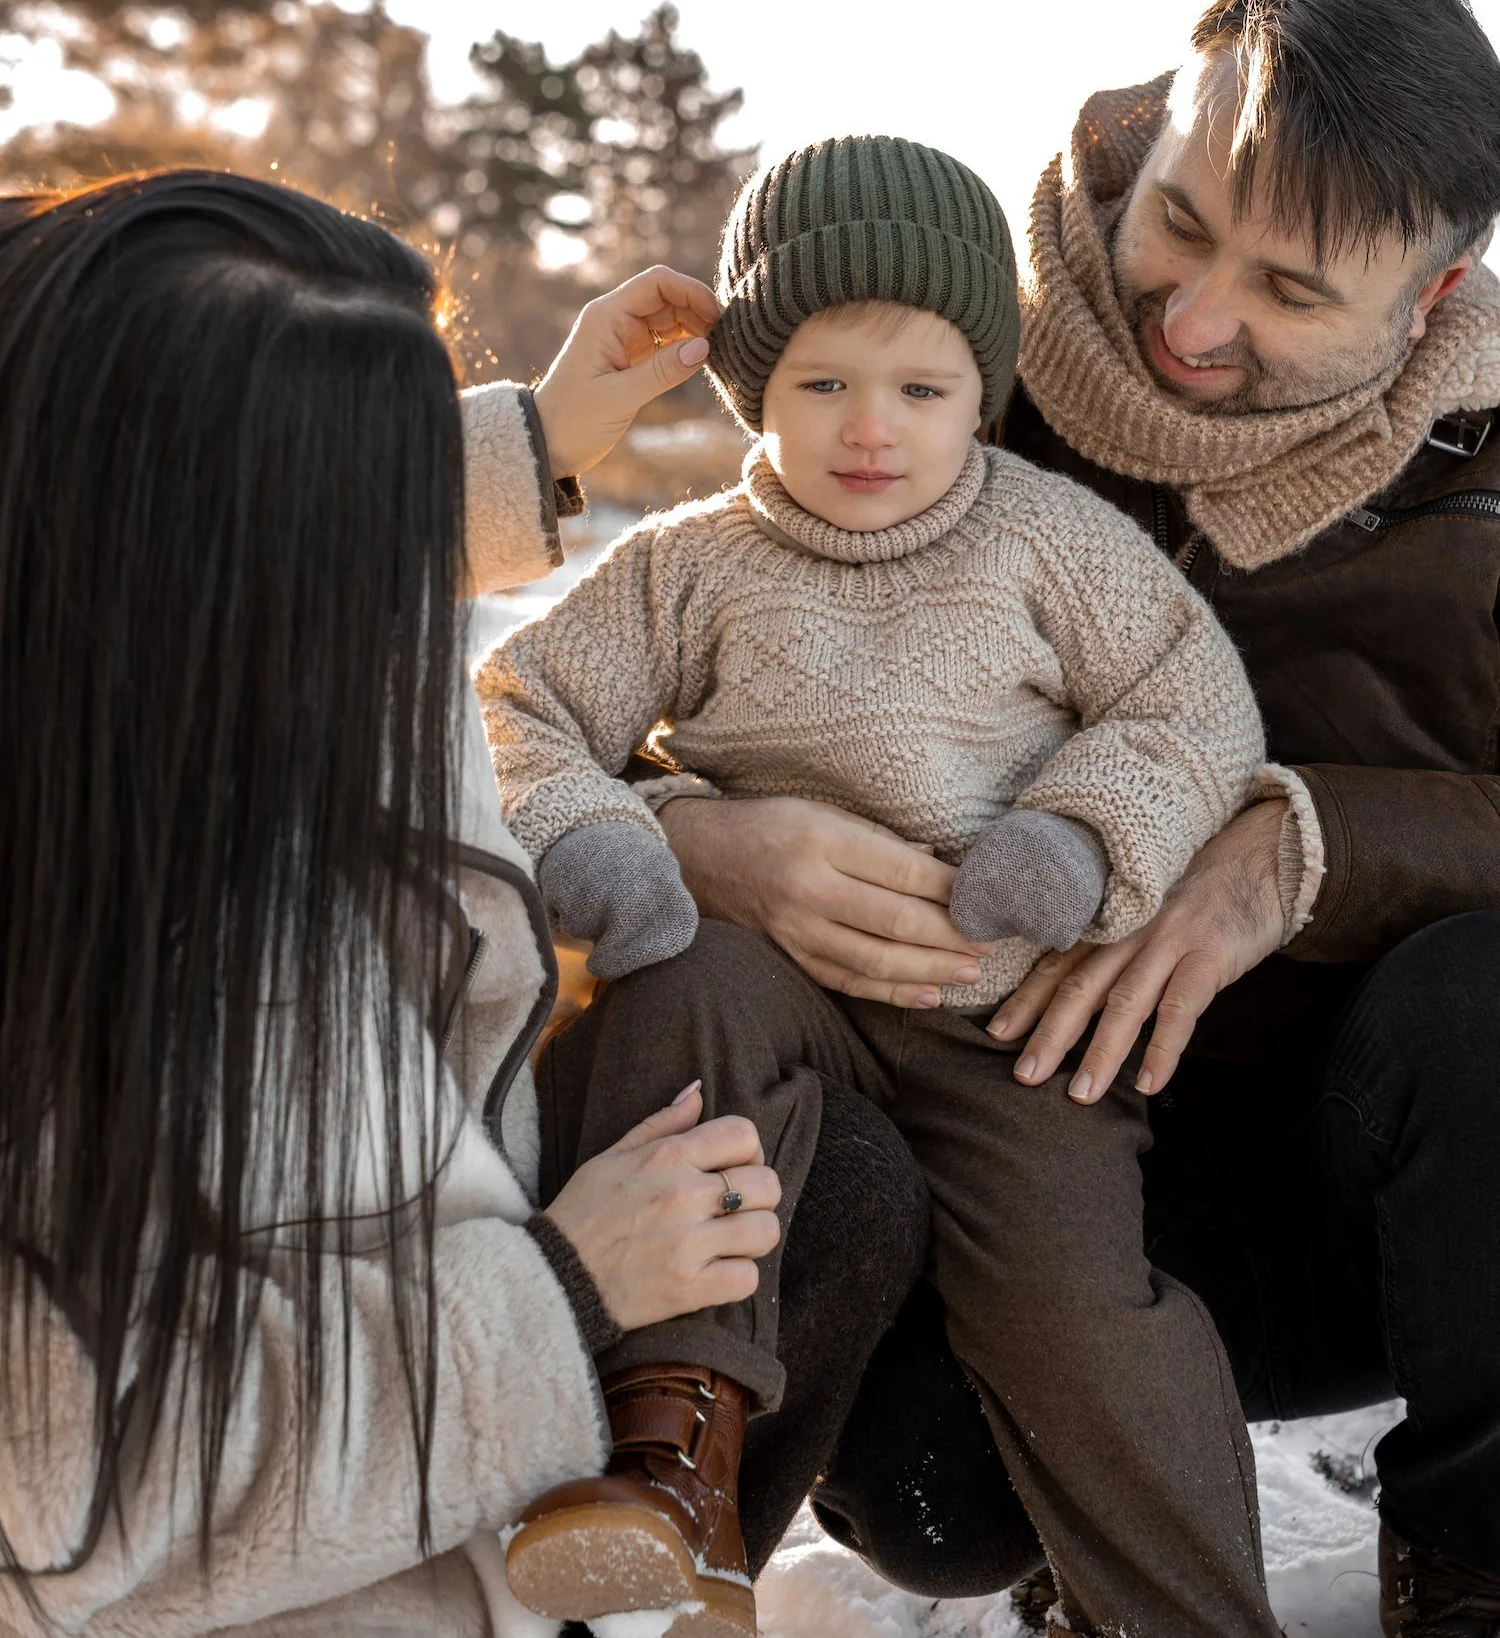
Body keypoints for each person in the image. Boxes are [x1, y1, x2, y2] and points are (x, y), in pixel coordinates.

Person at [641, 0, 1500, 1638]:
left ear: (1432, 294)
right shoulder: (940, 368)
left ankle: (1478, 1564)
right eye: (1178, 219)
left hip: (1380, 1192)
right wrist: (711, 836)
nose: (1188, 323)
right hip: (997, 1153)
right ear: (1139, 128)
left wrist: (1304, 841)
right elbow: (648, 682)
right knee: (929, 1490)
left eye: (1290, 289)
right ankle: (1036, 1519)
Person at [0, 172, 925, 1638]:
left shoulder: (158, 662)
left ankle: (670, 1557)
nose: (401, 585)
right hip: (256, 1576)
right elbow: (85, 1491)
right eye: (372, 518)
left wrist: (543, 437)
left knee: (828, 1172)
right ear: (187, 569)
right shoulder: (83, 947)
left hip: (430, 1322)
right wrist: (560, 1288)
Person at [481, 134, 1319, 1638]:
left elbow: (1192, 710)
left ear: (978, 392)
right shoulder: (691, 563)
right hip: (772, 980)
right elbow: (519, 703)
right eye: (821, 384)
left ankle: (1190, 1610)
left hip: (1006, 1014)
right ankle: (674, 1452)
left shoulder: (1052, 539)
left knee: (1075, 1307)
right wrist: (608, 837)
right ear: (753, 385)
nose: (871, 428)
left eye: (920, 389)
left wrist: (1076, 835)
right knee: (684, 1004)